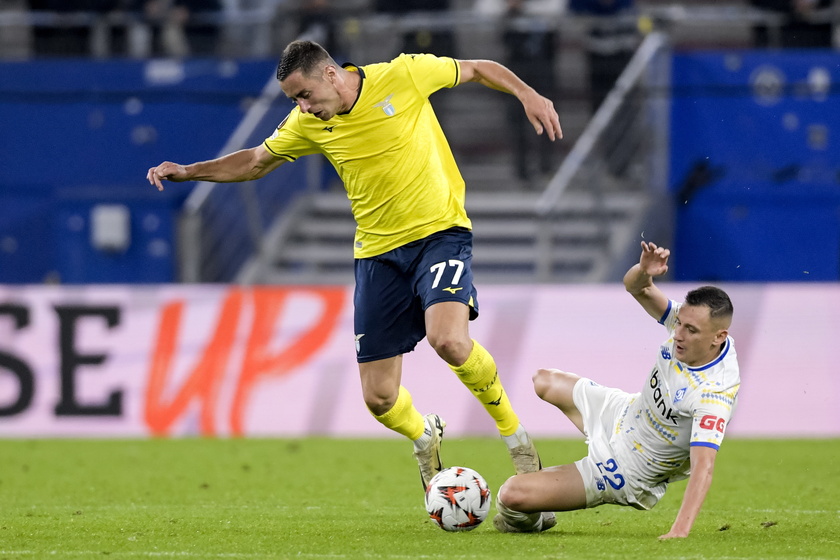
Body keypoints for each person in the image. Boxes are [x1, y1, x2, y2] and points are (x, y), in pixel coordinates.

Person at [146, 41, 563, 510]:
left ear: (329, 74)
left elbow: (477, 69)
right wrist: (189, 170)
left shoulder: (402, 75)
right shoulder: (309, 123)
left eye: (304, 94)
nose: (302, 107)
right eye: (293, 101)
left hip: (440, 233)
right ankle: (425, 436)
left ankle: (518, 441)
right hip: (377, 255)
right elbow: (256, 161)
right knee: (380, 398)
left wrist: (527, 93)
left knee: (448, 340)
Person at [493, 241, 740, 538]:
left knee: (511, 495)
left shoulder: (713, 394)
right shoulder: (685, 325)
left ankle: (536, 516)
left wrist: (680, 531)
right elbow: (636, 288)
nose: (679, 334)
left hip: (626, 468)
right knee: (544, 381)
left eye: (691, 330)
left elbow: (704, 468)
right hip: (621, 412)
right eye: (680, 324)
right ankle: (545, 492)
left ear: (719, 337)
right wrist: (643, 272)